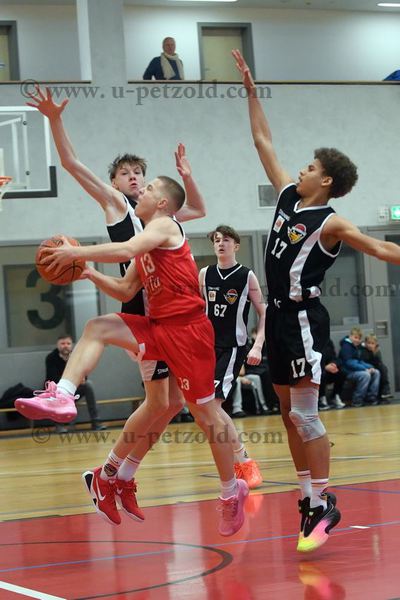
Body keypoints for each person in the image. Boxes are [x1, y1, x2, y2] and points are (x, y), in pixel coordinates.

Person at [233, 48, 400, 553]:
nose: (300, 170)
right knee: (287, 413)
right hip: (278, 318)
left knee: (305, 416)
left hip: (304, 317)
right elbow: (262, 141)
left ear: (325, 180)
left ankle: (324, 500)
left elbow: (381, 249)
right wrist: (251, 92)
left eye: (309, 166)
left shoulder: (332, 222)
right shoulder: (288, 197)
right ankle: (308, 500)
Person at [16, 175, 249, 536]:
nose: (142, 191)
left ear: (163, 204)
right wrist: (89, 272)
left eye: (150, 188)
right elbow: (126, 289)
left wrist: (76, 253)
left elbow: (125, 249)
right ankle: (63, 393)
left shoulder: (165, 226)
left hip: (189, 332)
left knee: (205, 414)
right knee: (98, 327)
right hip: (157, 327)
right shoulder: (147, 245)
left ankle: (231, 492)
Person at [26, 86, 205, 496]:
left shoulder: (159, 216)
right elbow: (71, 164)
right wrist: (55, 120)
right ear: (113, 183)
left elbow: (198, 208)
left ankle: (115, 475)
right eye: (125, 173)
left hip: (165, 314)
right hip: (144, 316)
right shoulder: (117, 206)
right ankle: (72, 408)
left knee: (168, 403)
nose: (134, 177)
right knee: (162, 399)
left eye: (138, 172)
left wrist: (187, 176)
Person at [199, 225, 266, 488]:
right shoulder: (204, 274)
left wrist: (257, 345)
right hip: (206, 347)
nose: (220, 243)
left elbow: (264, 312)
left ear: (236, 246)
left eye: (226, 240)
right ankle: (240, 461)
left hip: (232, 348)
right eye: (217, 240)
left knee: (213, 405)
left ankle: (244, 461)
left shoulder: (246, 276)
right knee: (206, 409)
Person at [45, 334, 105, 432]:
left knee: (88, 385)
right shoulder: (51, 357)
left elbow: (84, 374)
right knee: (54, 389)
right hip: (58, 389)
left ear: (72, 345)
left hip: (73, 388)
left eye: (68, 343)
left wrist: (81, 379)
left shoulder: (77, 356)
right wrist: (73, 380)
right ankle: (59, 425)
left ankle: (96, 422)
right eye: (62, 343)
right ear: (58, 345)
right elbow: (52, 378)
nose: (65, 346)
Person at [339, 328, 381, 407]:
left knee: (376, 372)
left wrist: (370, 367)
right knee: (365, 375)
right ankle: (357, 400)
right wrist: (364, 369)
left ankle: (371, 398)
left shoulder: (356, 347)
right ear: (350, 336)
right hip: (347, 372)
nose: (357, 340)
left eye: (359, 338)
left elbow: (359, 361)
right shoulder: (346, 346)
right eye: (355, 337)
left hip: (356, 370)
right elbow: (349, 363)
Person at [360, 334, 393, 403]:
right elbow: (362, 361)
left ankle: (385, 391)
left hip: (375, 367)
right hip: (365, 368)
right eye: (368, 343)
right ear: (365, 343)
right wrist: (370, 367)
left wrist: (374, 353)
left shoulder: (376, 350)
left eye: (372, 343)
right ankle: (385, 391)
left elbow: (379, 362)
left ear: (375, 344)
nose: (370, 345)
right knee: (380, 370)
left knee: (383, 368)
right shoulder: (362, 350)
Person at [318, 339, 346, 411]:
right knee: (322, 374)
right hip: (318, 369)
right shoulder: (312, 340)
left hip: (329, 368)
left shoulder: (328, 341)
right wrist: (324, 367)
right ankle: (321, 398)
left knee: (341, 373)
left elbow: (334, 357)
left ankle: (335, 396)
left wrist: (334, 364)